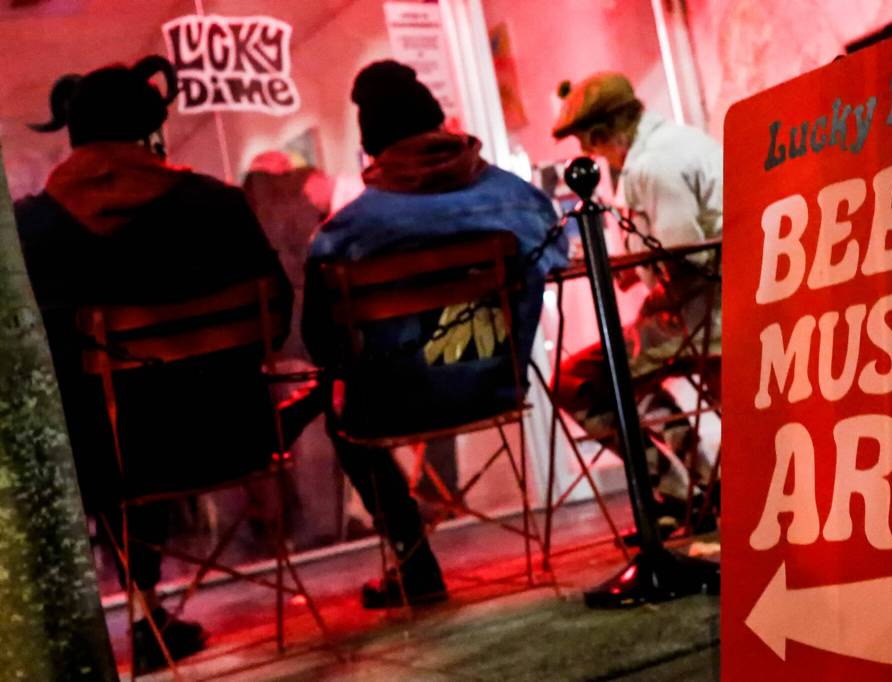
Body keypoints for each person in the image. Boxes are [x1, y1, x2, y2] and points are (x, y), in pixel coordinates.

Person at [15, 57, 293, 672]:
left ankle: (139, 614)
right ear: (150, 131)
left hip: (110, 462)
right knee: (149, 408)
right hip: (234, 437)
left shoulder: (32, 229)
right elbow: (277, 316)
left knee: (107, 417)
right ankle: (151, 616)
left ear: (75, 134)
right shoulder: (219, 206)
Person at [302, 60, 566, 608]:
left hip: (395, 404)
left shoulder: (346, 230)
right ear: (439, 125)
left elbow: (320, 342)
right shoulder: (516, 197)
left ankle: (414, 558)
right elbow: (558, 257)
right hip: (498, 384)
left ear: (371, 148)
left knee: (339, 411)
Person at [551, 71, 723, 536]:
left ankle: (680, 492)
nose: (589, 153)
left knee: (576, 383)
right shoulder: (681, 142)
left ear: (601, 133)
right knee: (628, 378)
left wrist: (626, 264)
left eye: (587, 142)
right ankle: (702, 487)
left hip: (702, 319)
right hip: (709, 310)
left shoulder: (651, 166)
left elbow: (684, 255)